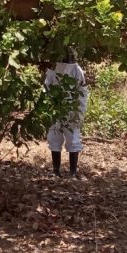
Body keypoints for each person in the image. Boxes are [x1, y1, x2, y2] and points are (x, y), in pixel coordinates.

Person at [44, 49, 88, 178]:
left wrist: (79, 112)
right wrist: (49, 108)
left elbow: (83, 93)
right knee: (54, 137)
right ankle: (56, 170)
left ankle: (73, 172)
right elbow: (46, 89)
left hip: (72, 109)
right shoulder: (52, 70)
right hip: (56, 108)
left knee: (73, 138)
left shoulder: (77, 70)